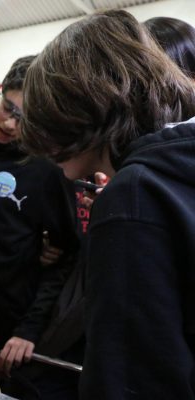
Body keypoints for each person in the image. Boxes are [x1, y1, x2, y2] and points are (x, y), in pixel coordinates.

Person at [21, 9, 195, 399]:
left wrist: (122, 216)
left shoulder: (134, 197)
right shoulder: (177, 168)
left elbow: (131, 378)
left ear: (75, 110)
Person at [0, 56, 78, 392]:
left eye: (25, 119)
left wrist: (28, 330)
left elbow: (67, 254)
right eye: (8, 109)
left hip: (14, 326)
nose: (10, 124)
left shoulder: (49, 169)